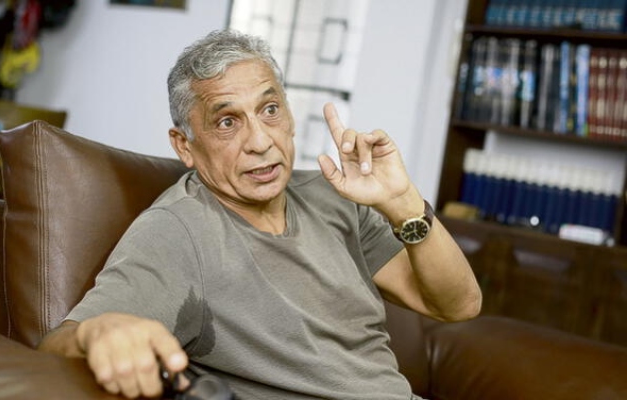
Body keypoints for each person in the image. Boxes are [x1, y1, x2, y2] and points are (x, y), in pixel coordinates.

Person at [38, 29, 482, 399]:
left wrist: (402, 203)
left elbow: (458, 305)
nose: (260, 141)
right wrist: (96, 333)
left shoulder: (334, 196)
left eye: (270, 110)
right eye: (227, 122)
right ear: (184, 146)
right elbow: (56, 347)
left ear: (290, 116)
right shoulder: (177, 231)